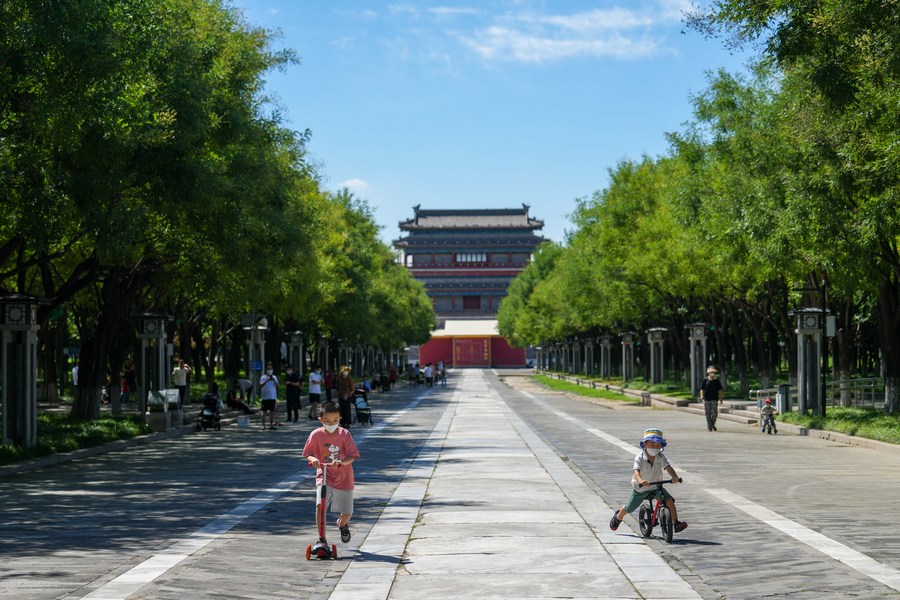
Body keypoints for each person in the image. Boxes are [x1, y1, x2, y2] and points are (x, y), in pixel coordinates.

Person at [302, 401, 360, 544]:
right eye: (327, 421)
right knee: (320, 506)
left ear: (340, 418)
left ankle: (342, 524)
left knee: (347, 512)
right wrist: (314, 460)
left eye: (335, 420)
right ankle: (322, 538)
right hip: (324, 476)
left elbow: (352, 455)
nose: (331, 424)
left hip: (344, 477)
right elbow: (308, 453)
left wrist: (341, 462)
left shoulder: (344, 434)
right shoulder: (316, 435)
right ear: (320, 420)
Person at [609, 428, 687, 533]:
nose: (655, 447)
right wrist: (641, 480)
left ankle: (676, 523)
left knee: (669, 500)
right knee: (629, 508)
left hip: (656, 486)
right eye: (652, 444)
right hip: (640, 489)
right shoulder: (639, 458)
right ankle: (618, 517)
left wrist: (674, 477)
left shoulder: (660, 457)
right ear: (645, 444)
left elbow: (668, 467)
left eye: (658, 445)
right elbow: (636, 471)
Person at [700, 366, 724, 432]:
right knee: (708, 414)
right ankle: (709, 428)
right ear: (708, 373)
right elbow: (702, 389)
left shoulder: (717, 381)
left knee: (714, 414)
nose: (712, 373)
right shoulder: (705, 380)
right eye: (711, 372)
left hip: (714, 399)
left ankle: (712, 425)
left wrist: (721, 399)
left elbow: (720, 391)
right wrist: (702, 395)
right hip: (707, 399)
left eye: (713, 372)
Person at [259, 362, 279, 430]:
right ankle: (263, 425)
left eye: (271, 369)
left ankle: (271, 425)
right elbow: (260, 385)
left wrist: (273, 380)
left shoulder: (274, 377)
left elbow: (278, 386)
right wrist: (267, 380)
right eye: (268, 369)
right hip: (265, 397)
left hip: (272, 397)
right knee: (264, 411)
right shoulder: (263, 377)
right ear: (266, 370)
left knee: (272, 411)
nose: (270, 370)